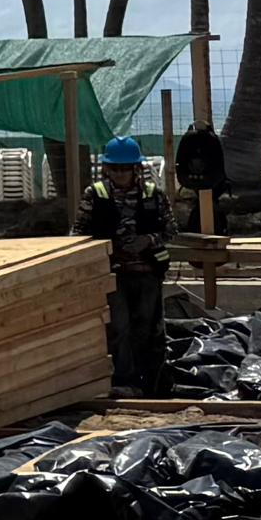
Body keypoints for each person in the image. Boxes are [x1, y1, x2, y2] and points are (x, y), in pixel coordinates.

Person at [83, 135, 177, 394]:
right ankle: (125, 381)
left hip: (147, 273)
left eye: (126, 168)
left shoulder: (152, 195)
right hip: (114, 274)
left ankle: (152, 382)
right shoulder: (96, 195)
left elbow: (171, 229)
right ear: (106, 169)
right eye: (115, 169)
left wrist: (147, 240)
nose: (121, 174)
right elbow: (79, 234)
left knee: (149, 328)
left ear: (136, 168)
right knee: (118, 328)